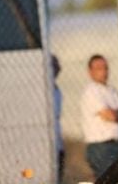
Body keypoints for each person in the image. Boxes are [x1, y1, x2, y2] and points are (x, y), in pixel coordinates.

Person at [81, 54, 118, 179]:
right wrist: (114, 114)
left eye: (106, 67)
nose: (104, 71)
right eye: (99, 68)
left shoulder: (111, 91)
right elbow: (111, 116)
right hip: (101, 148)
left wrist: (114, 114)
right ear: (90, 72)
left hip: (117, 145)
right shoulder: (91, 91)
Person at [51, 54, 65, 183]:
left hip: (58, 142)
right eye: (54, 65)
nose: (58, 68)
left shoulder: (57, 89)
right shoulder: (43, 90)